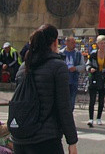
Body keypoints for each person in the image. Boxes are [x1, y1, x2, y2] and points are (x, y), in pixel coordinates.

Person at [12, 24, 78, 153]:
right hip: (45, 139)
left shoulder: (24, 67)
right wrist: (72, 141)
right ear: (54, 42)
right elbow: (64, 107)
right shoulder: (58, 67)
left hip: (20, 138)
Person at [86, 35, 105, 127]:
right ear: (97, 44)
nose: (103, 45)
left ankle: (99, 118)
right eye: (101, 43)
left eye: (104, 43)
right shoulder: (93, 54)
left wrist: (103, 70)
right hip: (94, 78)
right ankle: (90, 119)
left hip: (103, 79)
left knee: (101, 100)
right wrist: (90, 69)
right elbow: (88, 64)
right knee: (92, 100)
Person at [59, 36, 86, 111]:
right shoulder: (61, 53)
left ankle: (69, 116)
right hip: (63, 81)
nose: (74, 45)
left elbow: (83, 66)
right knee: (63, 101)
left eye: (75, 43)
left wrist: (76, 68)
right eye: (72, 43)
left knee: (71, 101)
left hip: (73, 80)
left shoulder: (78, 54)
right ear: (66, 43)